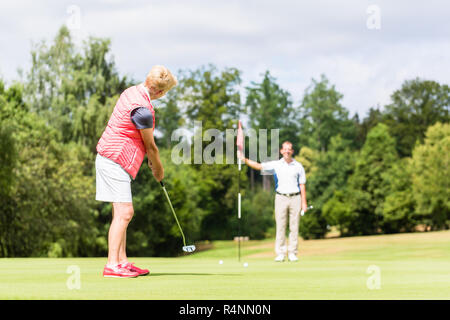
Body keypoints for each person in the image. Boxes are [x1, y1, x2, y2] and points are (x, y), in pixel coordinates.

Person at [95, 65, 177, 278]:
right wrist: (159, 169)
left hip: (111, 158)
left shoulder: (131, 91)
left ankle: (121, 261)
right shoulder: (142, 109)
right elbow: (151, 146)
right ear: (160, 92)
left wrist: (149, 160)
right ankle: (112, 265)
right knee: (125, 212)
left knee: (119, 213)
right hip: (114, 160)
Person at [239, 141, 308, 262]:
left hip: (295, 198)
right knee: (280, 226)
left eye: (289, 149)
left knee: (294, 227)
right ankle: (281, 253)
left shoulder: (298, 166)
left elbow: (302, 185)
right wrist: (244, 159)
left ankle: (292, 253)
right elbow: (259, 166)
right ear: (281, 151)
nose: (287, 151)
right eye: (285, 149)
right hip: (281, 197)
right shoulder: (276, 164)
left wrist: (304, 203)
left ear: (292, 151)